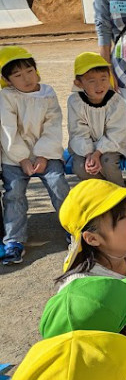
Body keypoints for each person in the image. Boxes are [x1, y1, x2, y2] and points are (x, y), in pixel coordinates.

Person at [0, 45, 70, 265]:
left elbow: (53, 125)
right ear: (8, 80)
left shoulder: (47, 93)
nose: (26, 78)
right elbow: (7, 129)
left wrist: (43, 155)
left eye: (29, 71)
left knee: (59, 184)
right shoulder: (6, 97)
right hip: (14, 157)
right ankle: (14, 240)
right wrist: (21, 158)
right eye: (18, 75)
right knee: (13, 193)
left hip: (46, 156)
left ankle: (73, 227)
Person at [67, 51, 126, 186]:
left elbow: (116, 132)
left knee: (107, 162)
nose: (99, 85)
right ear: (78, 83)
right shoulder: (75, 101)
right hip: (84, 148)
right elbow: (78, 132)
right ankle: (107, 196)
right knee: (80, 167)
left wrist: (98, 153)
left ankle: (122, 199)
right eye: (92, 81)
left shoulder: (116, 101)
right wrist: (88, 154)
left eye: (103, 79)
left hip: (114, 145)